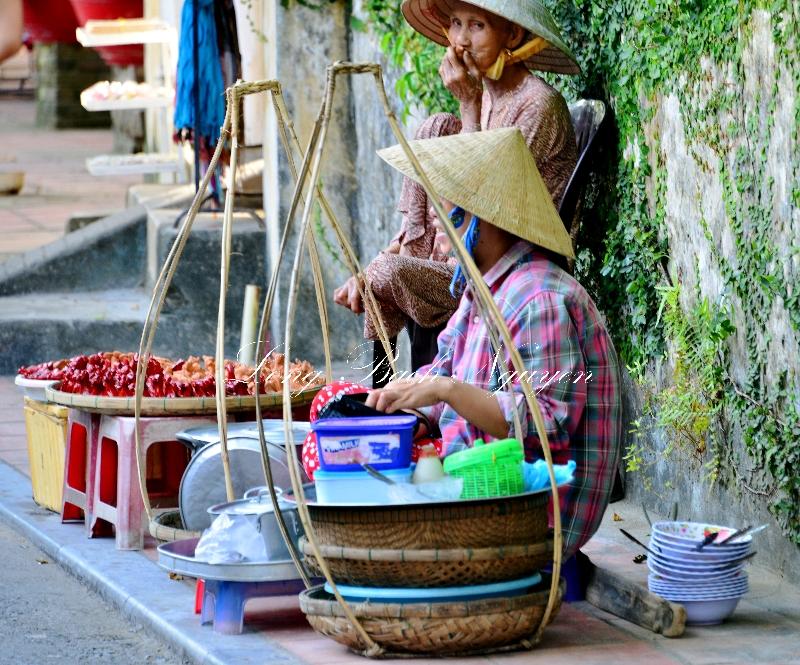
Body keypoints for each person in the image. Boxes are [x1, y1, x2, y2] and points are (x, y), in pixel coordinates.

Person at [363, 126, 622, 558]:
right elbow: (442, 368)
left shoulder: (539, 299)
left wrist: (447, 391)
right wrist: (398, 403)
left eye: (445, 222)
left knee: (387, 543)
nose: (439, 239)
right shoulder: (481, 291)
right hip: (486, 485)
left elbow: (544, 426)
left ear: (478, 222)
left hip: (540, 514)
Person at [334, 0, 580, 368]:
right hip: (456, 256)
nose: (460, 40)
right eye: (455, 23)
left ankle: (384, 293)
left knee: (383, 274)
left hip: (505, 264)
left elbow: (485, 210)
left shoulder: (538, 107)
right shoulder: (488, 98)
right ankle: (397, 260)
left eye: (477, 26)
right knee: (434, 128)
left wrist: (468, 105)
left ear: (512, 34)